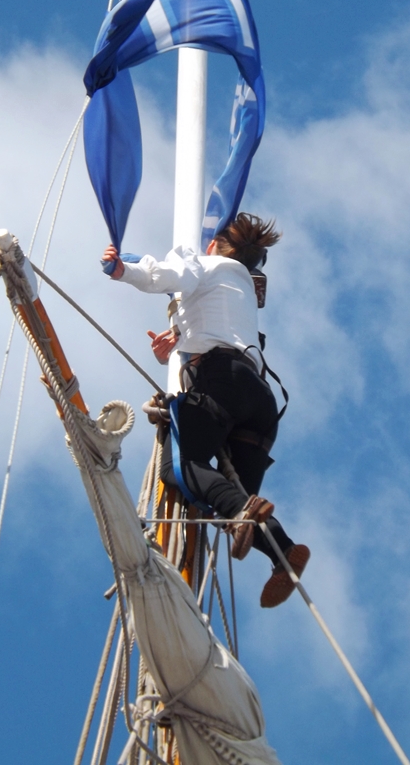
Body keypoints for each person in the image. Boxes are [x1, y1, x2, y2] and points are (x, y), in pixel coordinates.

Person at [102, 213, 309, 608]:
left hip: (222, 381)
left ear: (213, 245)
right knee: (230, 498)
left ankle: (246, 512)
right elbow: (216, 325)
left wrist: (122, 269)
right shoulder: (243, 287)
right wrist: (176, 347)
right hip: (259, 400)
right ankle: (284, 551)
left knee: (183, 469)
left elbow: (165, 275)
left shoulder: (205, 262)